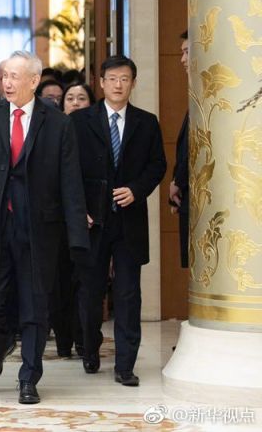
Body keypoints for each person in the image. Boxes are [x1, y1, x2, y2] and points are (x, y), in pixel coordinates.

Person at [0, 50, 90, 404]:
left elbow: (70, 182)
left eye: (14, 76)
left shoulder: (58, 123)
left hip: (39, 229)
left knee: (36, 307)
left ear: (34, 81)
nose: (6, 83)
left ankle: (29, 379)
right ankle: (2, 342)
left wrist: (77, 236)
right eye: (4, 76)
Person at [70, 55, 166, 387]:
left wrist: (137, 190)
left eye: (125, 79)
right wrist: (78, 207)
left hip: (129, 221)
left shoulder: (146, 122)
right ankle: (90, 347)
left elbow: (157, 164)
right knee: (90, 293)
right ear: (101, 83)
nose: (118, 85)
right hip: (92, 221)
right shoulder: (79, 121)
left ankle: (125, 365)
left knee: (128, 295)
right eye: (112, 79)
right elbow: (68, 168)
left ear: (133, 83)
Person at [49, 81, 96, 358]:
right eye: (70, 98)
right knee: (58, 283)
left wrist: (84, 211)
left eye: (81, 98)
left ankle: (83, 339)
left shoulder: (96, 133)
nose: (75, 103)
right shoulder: (51, 130)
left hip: (88, 219)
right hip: (56, 219)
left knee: (85, 283)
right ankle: (63, 340)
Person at [169, 30, 190, 268]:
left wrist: (178, 181)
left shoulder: (208, 95)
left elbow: (195, 147)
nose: (182, 59)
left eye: (187, 52)